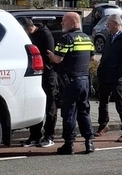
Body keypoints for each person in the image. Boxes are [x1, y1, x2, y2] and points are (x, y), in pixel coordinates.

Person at [46, 11, 95, 155]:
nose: (61, 23)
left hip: (70, 82)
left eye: (64, 21)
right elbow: (91, 59)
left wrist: (50, 55)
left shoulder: (66, 38)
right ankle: (89, 142)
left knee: (69, 114)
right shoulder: (88, 38)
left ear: (73, 23)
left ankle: (69, 144)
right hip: (85, 81)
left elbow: (58, 59)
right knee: (84, 112)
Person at [95, 14, 122, 142]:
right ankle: (103, 125)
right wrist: (100, 70)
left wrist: (119, 73)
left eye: (109, 24)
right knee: (102, 102)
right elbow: (105, 56)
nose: (107, 26)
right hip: (106, 75)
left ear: (116, 24)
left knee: (120, 103)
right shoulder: (109, 37)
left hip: (118, 77)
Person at [21, 17, 57, 148]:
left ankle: (49, 136)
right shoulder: (30, 35)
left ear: (29, 28)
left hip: (47, 74)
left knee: (50, 106)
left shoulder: (45, 35)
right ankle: (34, 136)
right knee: (36, 105)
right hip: (35, 75)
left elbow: (49, 56)